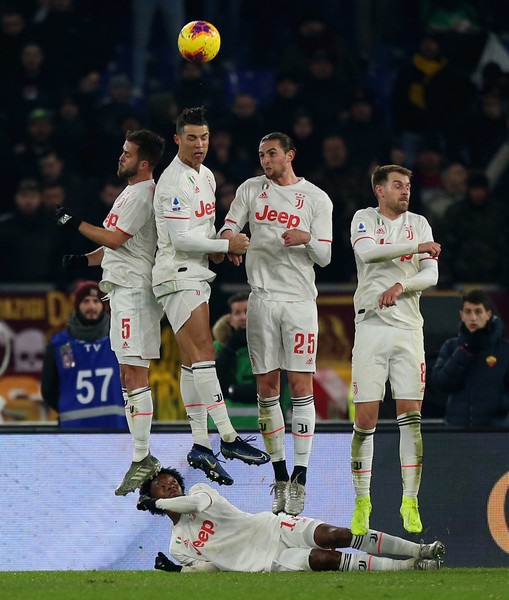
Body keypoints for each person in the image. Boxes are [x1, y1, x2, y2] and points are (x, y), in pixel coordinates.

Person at [151, 106, 270, 488]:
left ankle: (201, 444)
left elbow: (200, 229)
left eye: (204, 137)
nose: (200, 144)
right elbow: (179, 238)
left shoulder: (206, 176)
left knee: (190, 364)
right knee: (204, 352)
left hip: (197, 272)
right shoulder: (172, 181)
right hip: (177, 275)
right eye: (191, 138)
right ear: (177, 140)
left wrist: (219, 246)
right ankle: (230, 438)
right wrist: (223, 241)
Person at [218, 131, 333, 516]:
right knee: (267, 388)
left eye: (272, 153)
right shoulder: (251, 189)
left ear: (290, 155)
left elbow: (326, 256)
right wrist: (230, 239)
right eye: (261, 154)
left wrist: (305, 238)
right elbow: (228, 225)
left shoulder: (316, 198)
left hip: (300, 303)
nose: (265, 160)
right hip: (262, 300)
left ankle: (301, 477)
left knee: (300, 386)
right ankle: (280, 475)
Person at [54, 128, 166, 496]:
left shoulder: (142, 194)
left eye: (128, 153)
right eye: (122, 151)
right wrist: (83, 261)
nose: (121, 157)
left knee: (135, 370)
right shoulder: (130, 194)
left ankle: (142, 454)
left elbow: (114, 240)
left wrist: (75, 224)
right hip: (121, 290)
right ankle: (140, 453)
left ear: (144, 162)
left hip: (135, 292)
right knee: (127, 371)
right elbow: (115, 248)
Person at [349, 164, 441, 536]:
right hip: (370, 325)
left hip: (408, 330)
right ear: (379, 190)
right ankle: (361, 500)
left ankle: (410, 500)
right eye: (398, 186)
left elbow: (431, 275)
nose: (405, 191)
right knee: (366, 419)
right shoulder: (363, 219)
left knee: (411, 417)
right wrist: (416, 248)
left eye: (408, 185)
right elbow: (369, 254)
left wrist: (402, 285)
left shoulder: (419, 222)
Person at [136, 467, 445, 573]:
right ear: (156, 505)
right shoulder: (177, 544)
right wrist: (178, 570)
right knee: (326, 560)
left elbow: (194, 502)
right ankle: (408, 566)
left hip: (270, 527)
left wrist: (157, 500)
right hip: (265, 561)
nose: (170, 485)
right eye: (161, 486)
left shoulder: (201, 492)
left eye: (171, 481)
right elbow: (210, 567)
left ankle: (419, 549)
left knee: (335, 534)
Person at [41, 280, 125, 428]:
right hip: (74, 433)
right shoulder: (63, 345)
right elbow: (49, 389)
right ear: (77, 306)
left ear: (103, 305)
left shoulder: (119, 339)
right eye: (86, 301)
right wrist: (68, 407)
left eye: (96, 301)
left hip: (115, 431)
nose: (91, 306)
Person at [212, 292, 291, 429]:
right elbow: (214, 388)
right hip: (223, 429)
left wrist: (232, 392)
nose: (243, 317)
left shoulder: (275, 346)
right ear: (230, 319)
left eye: (247, 311)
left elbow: (275, 388)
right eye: (237, 313)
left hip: (268, 425)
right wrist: (230, 348)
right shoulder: (217, 349)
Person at [432, 289, 509, 428]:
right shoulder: (451, 346)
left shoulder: (504, 349)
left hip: (496, 432)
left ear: (488, 315)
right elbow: (441, 382)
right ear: (462, 315)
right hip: (457, 430)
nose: (473, 318)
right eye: (468, 312)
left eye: (478, 311)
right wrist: (465, 351)